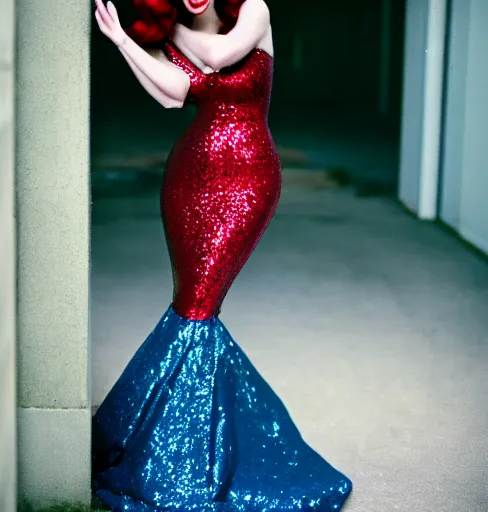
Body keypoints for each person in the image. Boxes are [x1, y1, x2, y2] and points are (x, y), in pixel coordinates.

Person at [92, 0, 352, 509]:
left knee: (199, 308)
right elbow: (172, 97)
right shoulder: (175, 36)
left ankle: (185, 455)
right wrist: (126, 42)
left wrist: (166, 35)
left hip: (251, 178)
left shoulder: (253, 12)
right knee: (190, 308)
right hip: (190, 176)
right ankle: (167, 444)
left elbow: (221, 54)